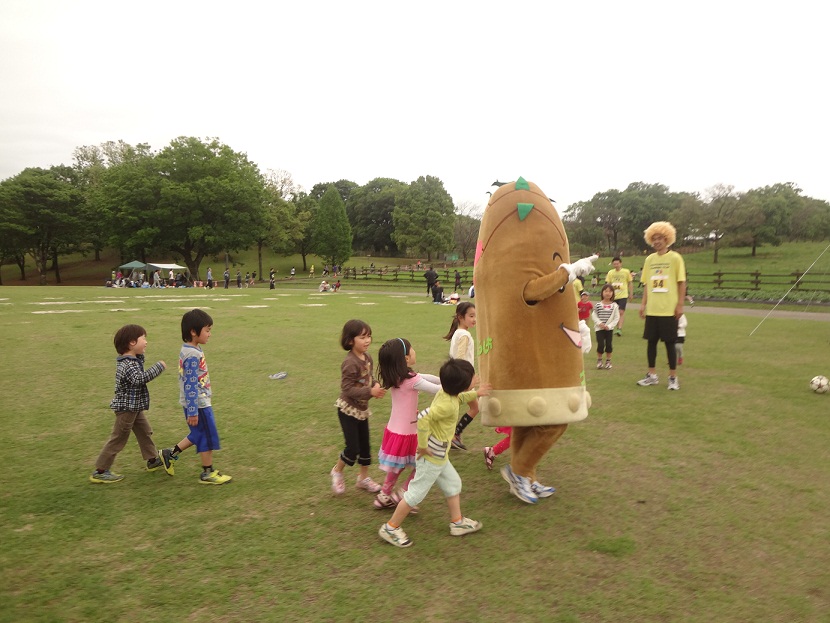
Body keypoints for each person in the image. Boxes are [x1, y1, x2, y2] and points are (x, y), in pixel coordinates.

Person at [378, 358, 491, 548]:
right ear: (462, 385)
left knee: (453, 484)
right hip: (430, 457)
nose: (476, 378)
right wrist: (422, 446)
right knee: (415, 494)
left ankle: (457, 523)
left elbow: (459, 398)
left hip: (440, 456)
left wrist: (476, 392)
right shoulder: (445, 405)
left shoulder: (448, 394)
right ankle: (390, 528)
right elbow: (423, 418)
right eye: (473, 378)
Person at [158, 309, 232, 484]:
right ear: (193, 331)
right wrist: (193, 410)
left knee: (198, 433)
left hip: (197, 401)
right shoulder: (192, 355)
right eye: (207, 330)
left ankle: (170, 454)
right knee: (206, 435)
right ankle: (207, 473)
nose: (209, 334)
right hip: (198, 403)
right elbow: (190, 383)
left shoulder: (191, 349)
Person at [89, 324, 166, 483]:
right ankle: (100, 470)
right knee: (118, 438)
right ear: (132, 343)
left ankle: (152, 460)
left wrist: (140, 355)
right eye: (143, 338)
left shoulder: (132, 360)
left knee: (145, 431)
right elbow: (139, 379)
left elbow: (138, 366)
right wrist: (158, 368)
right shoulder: (127, 364)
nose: (146, 342)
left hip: (134, 407)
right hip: (126, 409)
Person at [374, 337, 441, 509]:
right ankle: (402, 493)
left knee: (397, 466)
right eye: (412, 348)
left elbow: (431, 378)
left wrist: (444, 378)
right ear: (405, 358)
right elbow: (435, 389)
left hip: (394, 431)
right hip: (407, 434)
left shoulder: (397, 377)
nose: (414, 351)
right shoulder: (411, 380)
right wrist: (456, 385)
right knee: (424, 463)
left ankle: (384, 495)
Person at [330, 319, 387, 495]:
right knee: (352, 447)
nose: (367, 340)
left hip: (362, 410)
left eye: (369, 336)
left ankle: (363, 479)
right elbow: (347, 389)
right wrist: (370, 391)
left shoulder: (368, 357)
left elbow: (369, 378)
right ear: (350, 341)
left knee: (365, 445)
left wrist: (375, 386)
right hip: (347, 409)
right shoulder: (350, 362)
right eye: (362, 337)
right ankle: (337, 471)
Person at [637, 221, 687, 391]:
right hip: (652, 309)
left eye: (660, 238)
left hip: (669, 309)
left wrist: (680, 304)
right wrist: (642, 305)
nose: (657, 241)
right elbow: (646, 285)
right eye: (654, 238)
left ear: (667, 239)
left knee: (670, 344)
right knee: (651, 343)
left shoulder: (675, 258)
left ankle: (673, 377)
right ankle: (652, 375)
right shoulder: (649, 259)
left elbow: (681, 282)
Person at [444, 302, 478, 450]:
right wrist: (467, 380)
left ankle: (453, 435)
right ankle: (452, 435)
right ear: (460, 317)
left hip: (459, 377)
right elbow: (460, 357)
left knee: (469, 407)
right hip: (462, 379)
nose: (474, 319)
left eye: (475, 315)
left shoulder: (458, 333)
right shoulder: (464, 334)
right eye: (471, 316)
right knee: (472, 407)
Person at [592, 284, 620, 370]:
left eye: (610, 291)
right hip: (599, 329)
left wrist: (609, 326)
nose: (608, 293)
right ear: (602, 293)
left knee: (608, 345)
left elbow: (616, 318)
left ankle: (608, 361)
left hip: (609, 330)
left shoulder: (614, 306)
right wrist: (599, 323)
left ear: (612, 293)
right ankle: (599, 360)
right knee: (600, 344)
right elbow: (594, 315)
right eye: (606, 291)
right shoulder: (598, 305)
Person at [605, 257, 634, 336]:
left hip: (623, 295)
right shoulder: (610, 272)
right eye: (614, 264)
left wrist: (631, 293)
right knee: (614, 312)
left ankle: (619, 329)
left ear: (621, 263)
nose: (616, 265)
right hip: (613, 296)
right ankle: (612, 327)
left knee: (621, 312)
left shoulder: (626, 272)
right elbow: (608, 284)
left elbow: (630, 283)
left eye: (617, 263)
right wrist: (606, 294)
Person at [577, 290, 593, 354]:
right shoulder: (579, 303)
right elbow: (576, 309)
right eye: (583, 296)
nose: (585, 297)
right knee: (579, 327)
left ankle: (586, 337)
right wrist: (578, 310)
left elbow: (591, 309)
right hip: (580, 317)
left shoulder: (589, 304)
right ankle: (579, 336)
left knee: (586, 327)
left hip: (586, 317)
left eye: (586, 296)